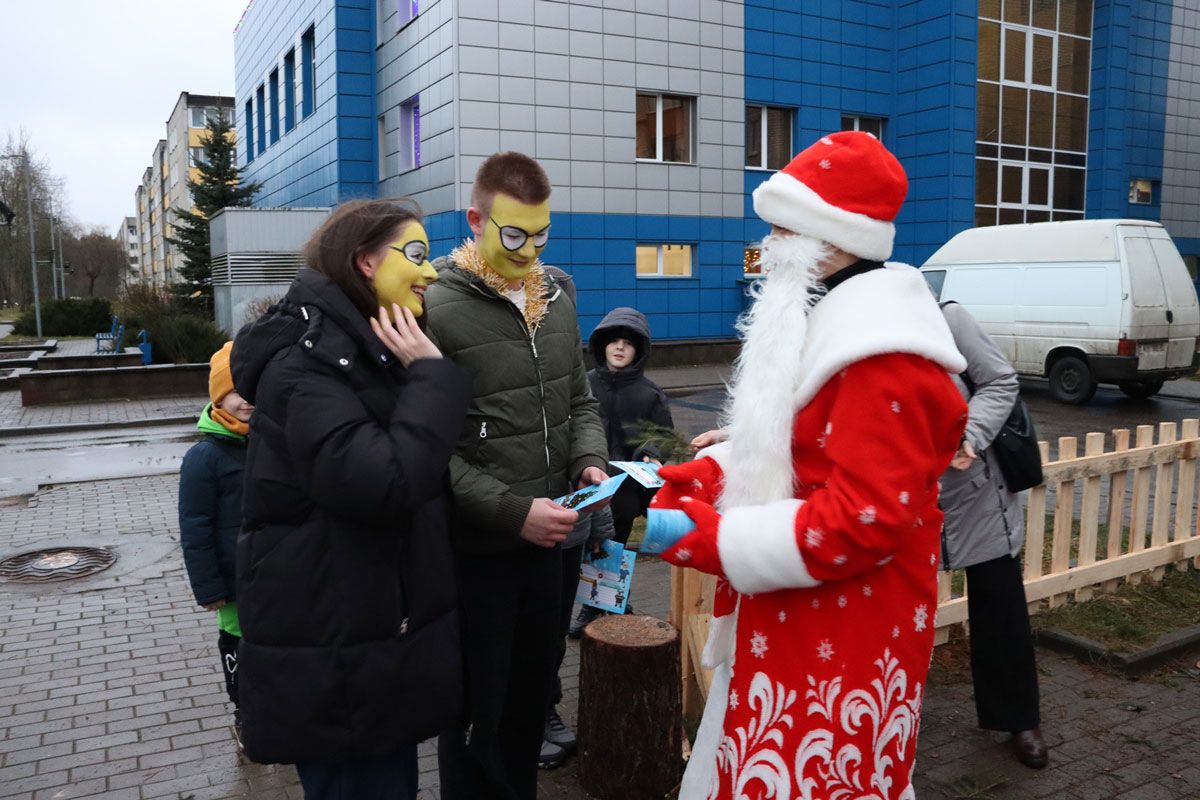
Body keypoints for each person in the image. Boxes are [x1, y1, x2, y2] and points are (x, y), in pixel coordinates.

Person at [653, 131, 969, 799]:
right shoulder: (835, 320)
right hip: (799, 620)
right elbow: (800, 442)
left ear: (834, 237)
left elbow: (863, 519)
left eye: (780, 229)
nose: (766, 247)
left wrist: (707, 538)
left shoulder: (884, 357)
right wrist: (703, 477)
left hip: (843, 629)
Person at [229, 199, 471, 799]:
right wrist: (430, 376)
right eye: (415, 254)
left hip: (363, 643)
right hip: (335, 657)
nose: (432, 271)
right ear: (365, 262)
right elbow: (385, 482)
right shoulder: (306, 368)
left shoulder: (359, 349)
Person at [425, 151, 608, 800]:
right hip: (480, 551)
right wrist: (510, 510)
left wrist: (587, 457)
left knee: (533, 696)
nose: (529, 251)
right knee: (477, 709)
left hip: (554, 543)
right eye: (513, 235)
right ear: (476, 219)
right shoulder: (435, 306)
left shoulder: (556, 299)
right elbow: (431, 446)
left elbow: (579, 400)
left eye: (541, 234)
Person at [939, 300, 1047, 768]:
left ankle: (1019, 718)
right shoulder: (845, 330)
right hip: (897, 496)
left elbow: (1000, 380)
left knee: (999, 606)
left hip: (976, 488)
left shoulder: (946, 318)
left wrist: (971, 433)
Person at [568, 307, 674, 635]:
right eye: (613, 341)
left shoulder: (649, 393)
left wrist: (650, 452)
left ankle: (594, 607)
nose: (619, 347)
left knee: (613, 545)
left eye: (627, 343)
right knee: (588, 545)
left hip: (626, 487)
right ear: (601, 346)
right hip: (587, 483)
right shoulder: (585, 385)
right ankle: (611, 602)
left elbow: (662, 434)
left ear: (638, 350)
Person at [178, 341, 252, 749]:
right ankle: (244, 710)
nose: (249, 402)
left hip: (273, 574)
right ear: (218, 394)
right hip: (232, 581)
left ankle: (279, 706)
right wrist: (208, 588)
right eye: (239, 391)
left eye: (256, 391)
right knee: (240, 646)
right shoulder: (204, 458)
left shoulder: (269, 442)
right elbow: (194, 528)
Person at [541, 504, 616, 770]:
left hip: (571, 536)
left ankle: (545, 707)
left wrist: (600, 528)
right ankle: (519, 717)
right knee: (527, 635)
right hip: (520, 535)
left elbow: (591, 468)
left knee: (555, 634)